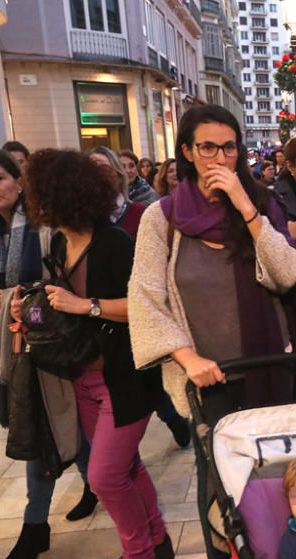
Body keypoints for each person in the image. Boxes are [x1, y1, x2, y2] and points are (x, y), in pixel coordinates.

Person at [129, 104, 296, 559]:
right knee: (218, 482)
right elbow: (145, 297)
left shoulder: (263, 205)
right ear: (187, 152)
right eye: (208, 147)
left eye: (229, 147)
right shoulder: (161, 218)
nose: (220, 157)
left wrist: (249, 210)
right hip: (209, 376)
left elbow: (288, 274)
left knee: (276, 471)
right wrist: (187, 358)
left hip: (269, 364)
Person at [14, 148, 169, 559]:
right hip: (82, 375)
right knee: (125, 468)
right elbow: (60, 304)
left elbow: (146, 309)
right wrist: (30, 311)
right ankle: (157, 540)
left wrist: (87, 305)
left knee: (103, 475)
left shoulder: (116, 243)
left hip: (126, 377)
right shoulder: (59, 245)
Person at [0, 149, 99, 559]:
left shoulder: (44, 229)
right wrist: (5, 300)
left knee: (42, 428)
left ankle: (34, 525)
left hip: (51, 343)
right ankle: (96, 481)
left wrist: (26, 302)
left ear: (19, 181)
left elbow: (61, 281)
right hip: (13, 350)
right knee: (61, 427)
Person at [89, 147, 191, 449]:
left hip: (141, 315)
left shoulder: (143, 213)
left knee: (152, 385)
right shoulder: (84, 224)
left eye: (105, 168)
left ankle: (175, 419)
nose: (98, 174)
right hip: (106, 326)